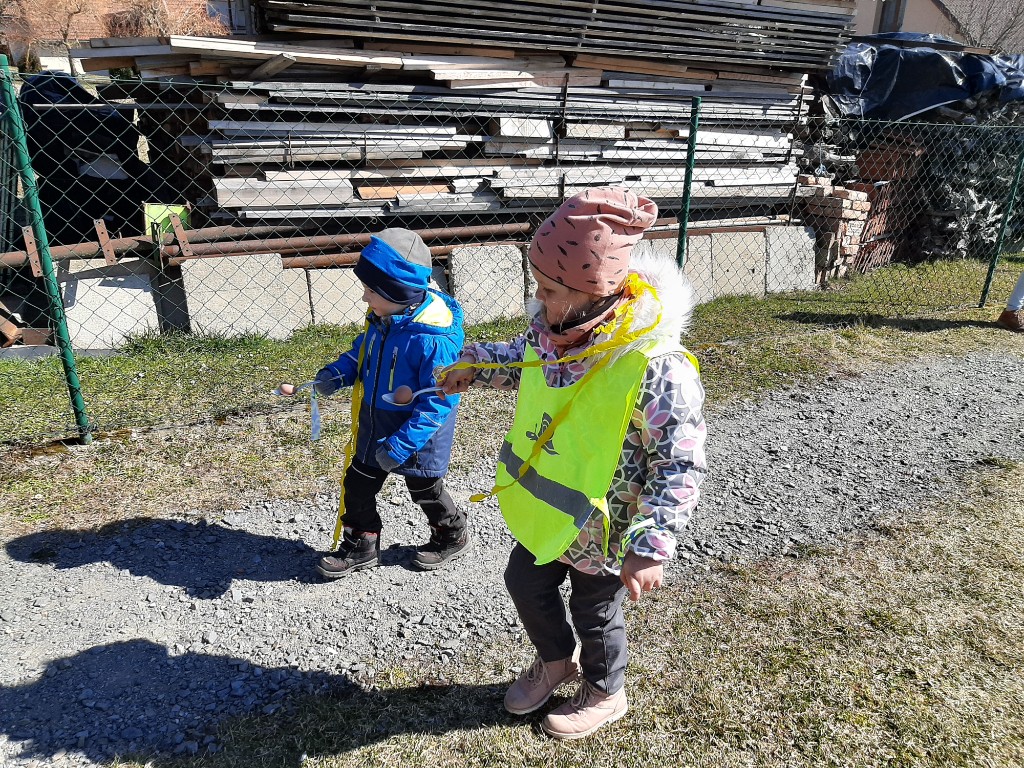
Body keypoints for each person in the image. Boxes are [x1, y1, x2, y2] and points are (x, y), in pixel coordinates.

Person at [440, 187, 707, 739]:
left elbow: (678, 463)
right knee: (523, 581)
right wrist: (474, 363)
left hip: (608, 530)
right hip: (552, 516)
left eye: (549, 289)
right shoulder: (554, 333)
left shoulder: (655, 366)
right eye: (537, 285)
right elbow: (521, 360)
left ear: (595, 291)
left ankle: (607, 691)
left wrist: (650, 542)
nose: (537, 300)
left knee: (596, 613)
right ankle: (556, 661)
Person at [282, 228, 469, 579]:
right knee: (357, 483)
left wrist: (401, 445)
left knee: (423, 488)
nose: (364, 297)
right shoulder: (382, 320)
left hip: (418, 433)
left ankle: (451, 533)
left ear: (396, 292)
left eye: (370, 290)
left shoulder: (433, 341)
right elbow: (362, 353)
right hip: (375, 421)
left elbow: (440, 401)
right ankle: (361, 545)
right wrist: (335, 375)